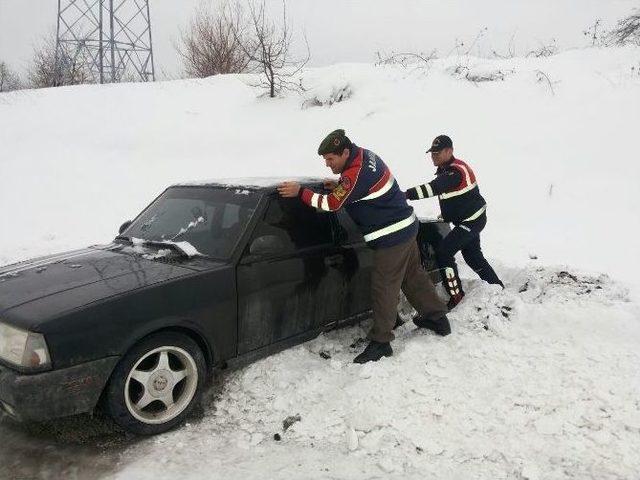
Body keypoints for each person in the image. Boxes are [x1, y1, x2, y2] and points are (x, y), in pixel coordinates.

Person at [277, 129, 449, 364]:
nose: (328, 165)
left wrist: (301, 192)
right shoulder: (365, 157)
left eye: (331, 159)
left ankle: (381, 342)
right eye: (325, 160)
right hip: (406, 225)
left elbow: (331, 204)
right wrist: (340, 185)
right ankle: (437, 317)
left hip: (392, 235)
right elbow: (355, 187)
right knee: (412, 275)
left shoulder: (354, 174)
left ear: (345, 152)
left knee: (384, 287)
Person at [404, 135, 503, 310]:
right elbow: (455, 195)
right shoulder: (446, 170)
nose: (433, 156)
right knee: (473, 256)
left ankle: (456, 295)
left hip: (471, 220)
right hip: (470, 218)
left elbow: (433, 188)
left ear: (449, 151)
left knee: (444, 251)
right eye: (432, 153)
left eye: (437, 152)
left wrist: (404, 195)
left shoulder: (455, 171)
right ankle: (497, 287)